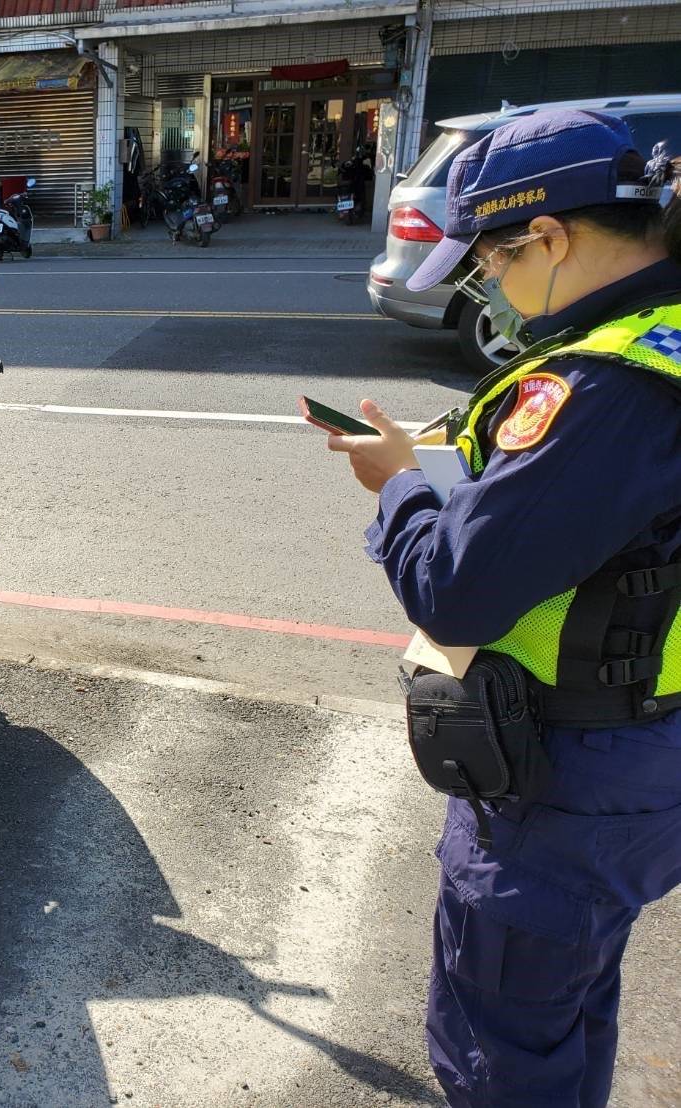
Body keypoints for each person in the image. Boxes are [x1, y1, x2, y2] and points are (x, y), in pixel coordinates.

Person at [327, 110, 681, 1105]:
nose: (489, 283)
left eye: (492, 259)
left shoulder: (606, 386)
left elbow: (456, 590)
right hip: (642, 743)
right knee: (566, 1003)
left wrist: (398, 486)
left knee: (501, 1046)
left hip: (568, 780)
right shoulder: (666, 341)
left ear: (553, 238)